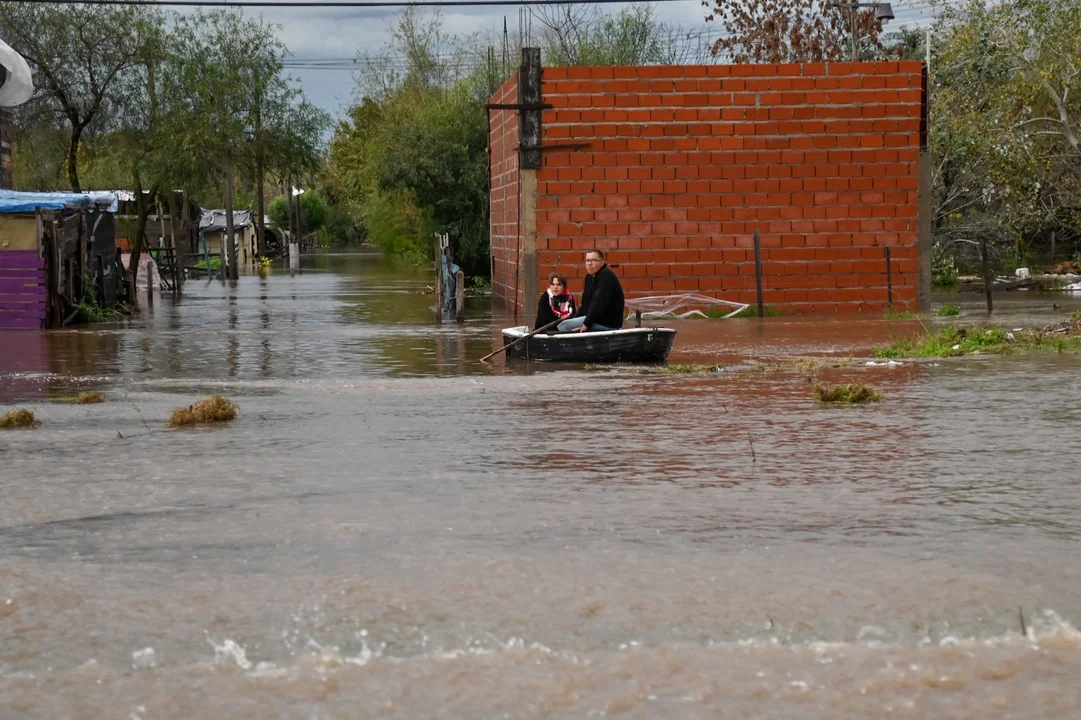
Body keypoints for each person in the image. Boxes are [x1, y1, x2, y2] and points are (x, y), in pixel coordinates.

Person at [558, 249, 625, 333]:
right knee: (564, 323)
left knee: (564, 326)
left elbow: (599, 303)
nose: (589, 264)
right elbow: (585, 306)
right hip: (595, 320)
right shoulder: (589, 278)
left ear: (602, 262)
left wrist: (586, 325)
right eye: (587, 260)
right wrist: (574, 318)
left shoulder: (606, 276)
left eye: (593, 260)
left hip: (607, 323)